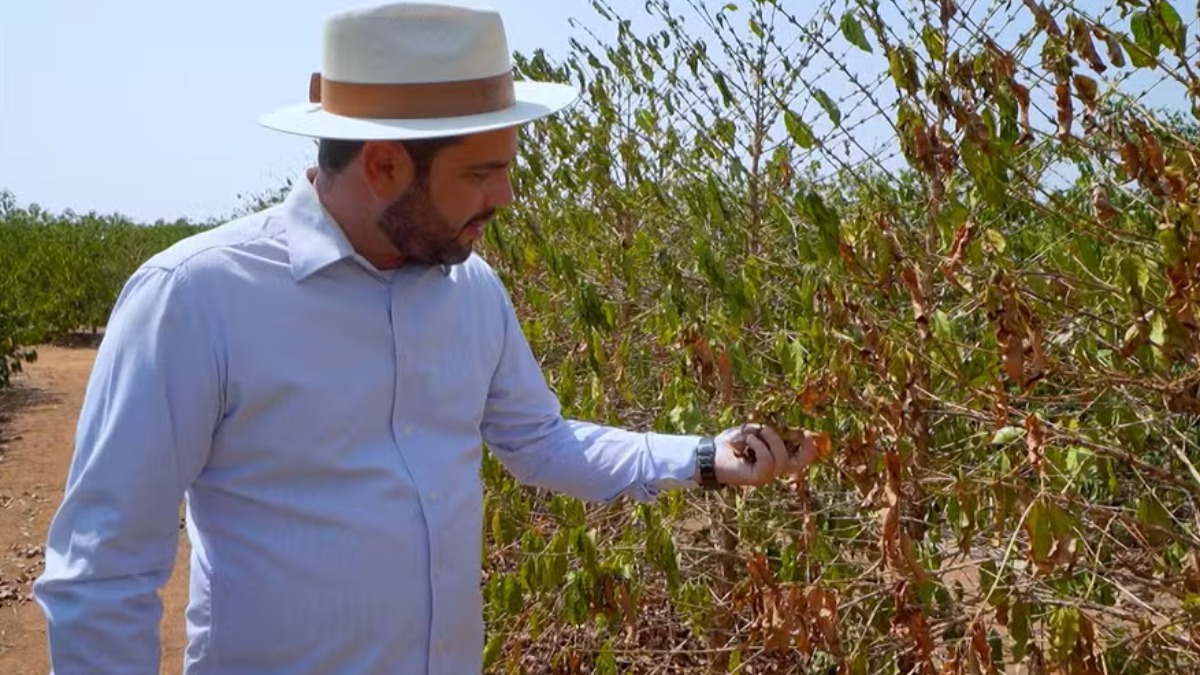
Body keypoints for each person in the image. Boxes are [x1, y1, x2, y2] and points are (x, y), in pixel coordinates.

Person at [32, 2, 819, 674]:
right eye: (480, 172)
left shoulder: (471, 290)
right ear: (382, 165)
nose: (504, 195)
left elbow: (540, 442)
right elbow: (103, 572)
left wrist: (698, 458)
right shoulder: (196, 297)